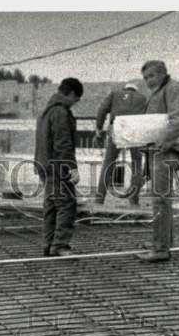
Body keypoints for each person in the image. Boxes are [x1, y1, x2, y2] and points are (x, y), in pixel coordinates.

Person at [137, 60, 179, 263]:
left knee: (160, 200)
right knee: (160, 199)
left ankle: (160, 249)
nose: (148, 81)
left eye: (151, 76)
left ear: (162, 73)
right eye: (145, 78)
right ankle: (162, 242)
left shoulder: (174, 88)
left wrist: (163, 143)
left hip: (167, 151)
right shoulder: (160, 91)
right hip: (158, 150)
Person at [34, 77, 84, 257]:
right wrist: (72, 168)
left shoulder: (46, 111)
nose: (74, 104)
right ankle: (60, 245)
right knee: (66, 204)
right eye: (75, 100)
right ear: (70, 94)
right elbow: (63, 143)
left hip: (45, 165)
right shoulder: (61, 112)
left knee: (51, 206)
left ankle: (48, 244)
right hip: (57, 166)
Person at [94, 82, 147, 206]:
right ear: (136, 90)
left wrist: (98, 129)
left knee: (108, 163)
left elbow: (101, 110)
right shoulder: (142, 98)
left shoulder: (115, 94)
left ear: (125, 88)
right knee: (136, 165)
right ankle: (134, 201)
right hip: (135, 130)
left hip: (117, 128)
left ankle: (99, 199)